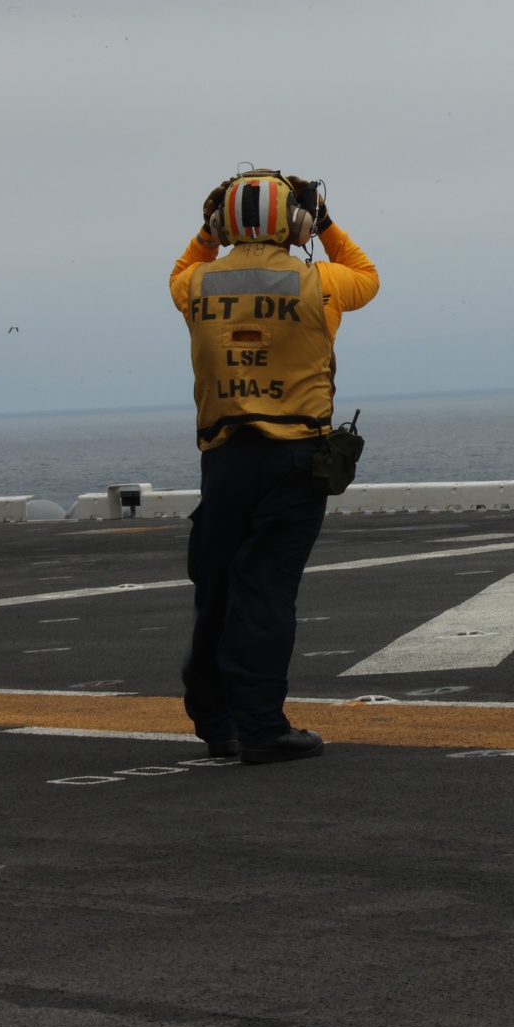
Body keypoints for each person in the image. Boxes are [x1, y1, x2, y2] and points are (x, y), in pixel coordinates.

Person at [169, 168, 378, 765]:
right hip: (295, 459)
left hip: (225, 457)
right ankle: (261, 727)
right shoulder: (323, 282)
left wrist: (208, 232)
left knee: (217, 587)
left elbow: (180, 270)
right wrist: (327, 221)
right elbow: (369, 275)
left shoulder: (197, 286)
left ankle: (217, 724)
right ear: (296, 222)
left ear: (222, 222)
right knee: (264, 591)